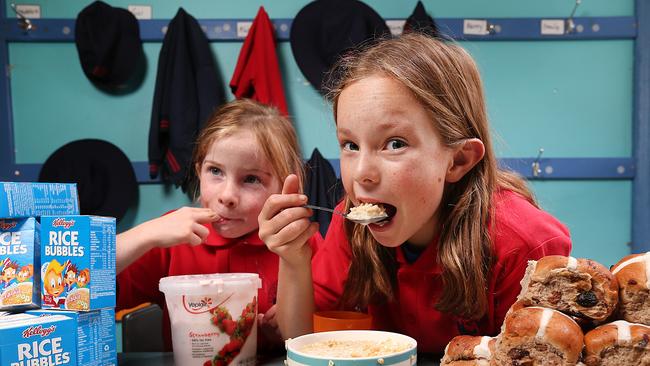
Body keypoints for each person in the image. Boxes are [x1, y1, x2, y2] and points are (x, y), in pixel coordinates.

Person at [258, 33, 572, 354]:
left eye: (395, 144)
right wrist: (294, 261)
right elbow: (303, 340)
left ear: (458, 159)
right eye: (350, 145)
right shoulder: (351, 226)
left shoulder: (525, 244)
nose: (362, 173)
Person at [116, 99, 321, 352]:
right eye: (215, 171)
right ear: (198, 170)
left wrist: (286, 323)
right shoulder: (174, 239)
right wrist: (144, 234)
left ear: (287, 186)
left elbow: (328, 334)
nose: (227, 196)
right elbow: (77, 287)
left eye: (251, 179)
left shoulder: (300, 241)